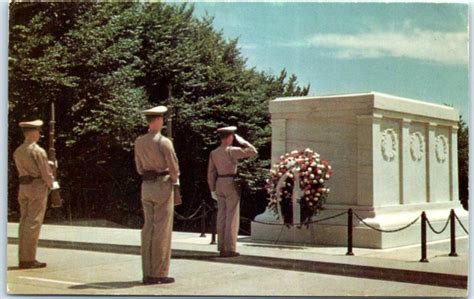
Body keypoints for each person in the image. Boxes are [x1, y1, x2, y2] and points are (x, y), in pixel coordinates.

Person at [134, 105, 180, 285]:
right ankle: (159, 273)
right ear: (159, 120)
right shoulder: (164, 142)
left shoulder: (139, 141)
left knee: (148, 229)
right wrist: (175, 180)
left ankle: (147, 272)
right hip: (162, 184)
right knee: (162, 229)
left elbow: (138, 167)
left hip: (146, 184)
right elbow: (174, 167)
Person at [13, 119, 59, 269]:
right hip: (37, 188)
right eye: (38, 131)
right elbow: (45, 174)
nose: (39, 134)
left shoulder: (18, 150)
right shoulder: (38, 151)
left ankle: (23, 257)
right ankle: (28, 259)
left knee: (24, 221)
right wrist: (54, 186)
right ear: (32, 133)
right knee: (33, 223)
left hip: (24, 187)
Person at [207, 126, 257, 257]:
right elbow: (253, 152)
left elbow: (211, 173)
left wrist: (212, 189)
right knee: (232, 216)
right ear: (230, 137)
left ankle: (222, 246)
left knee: (221, 216)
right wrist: (243, 141)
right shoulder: (232, 150)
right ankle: (230, 248)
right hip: (230, 182)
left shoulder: (214, 152)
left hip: (219, 183)